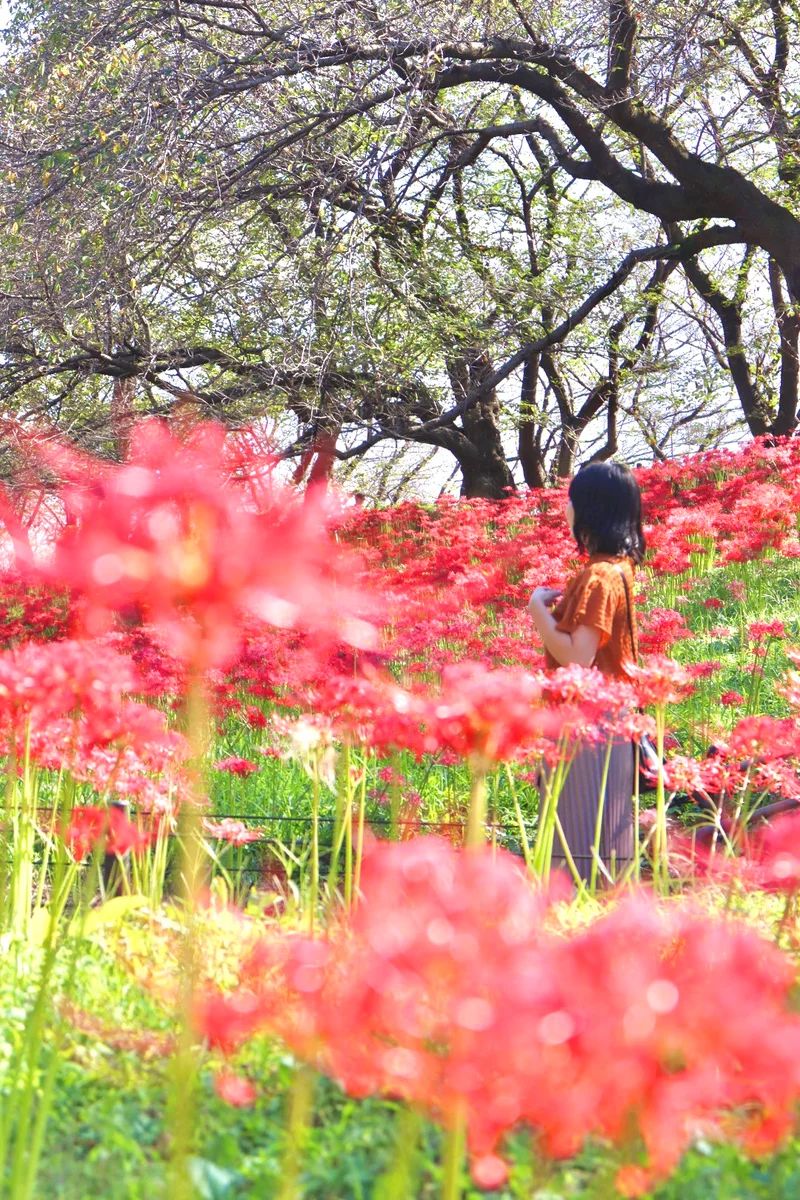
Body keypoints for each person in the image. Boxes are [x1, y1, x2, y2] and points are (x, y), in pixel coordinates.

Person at [527, 461, 645, 882]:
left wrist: (537, 611)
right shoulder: (620, 569)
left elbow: (580, 658)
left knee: (575, 844)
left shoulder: (598, 576)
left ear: (590, 509)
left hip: (588, 724)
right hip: (612, 722)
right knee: (604, 839)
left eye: (572, 501)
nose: (566, 509)